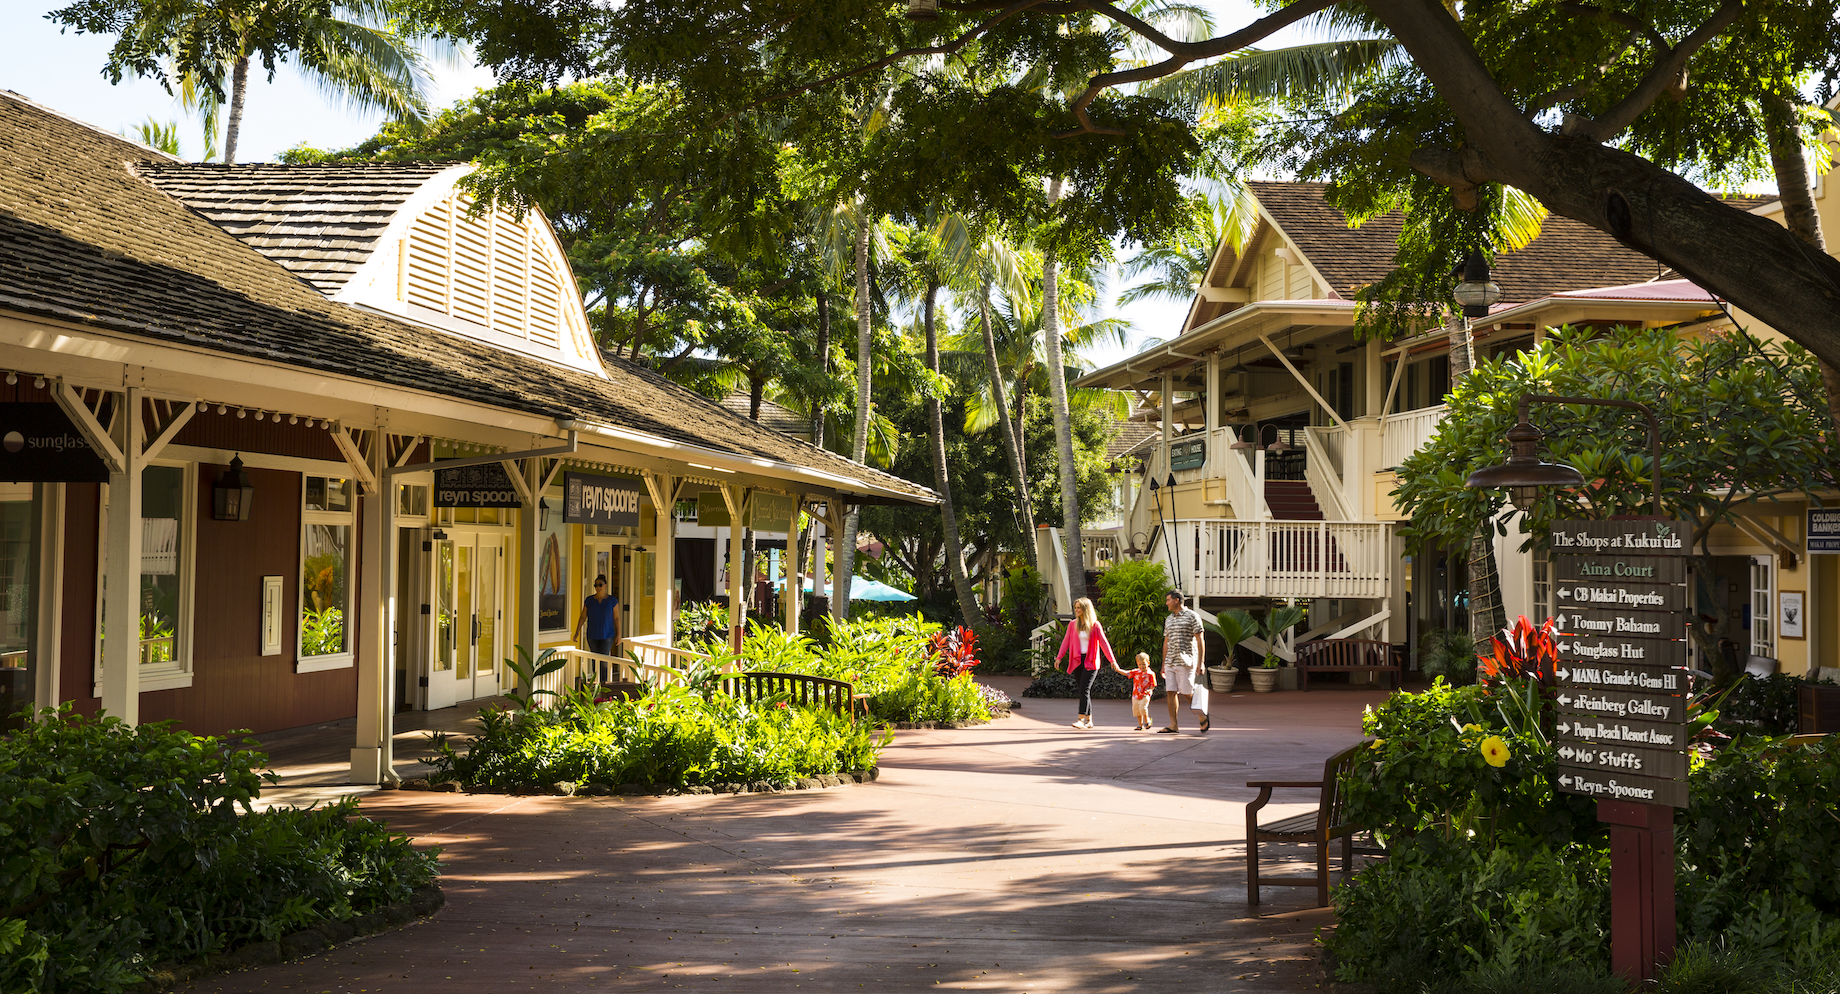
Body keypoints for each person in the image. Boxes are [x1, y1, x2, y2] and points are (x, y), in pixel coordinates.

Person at [1054, 597, 1116, 729]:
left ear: (1085, 609)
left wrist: (1112, 660)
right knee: (1083, 691)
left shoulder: (1095, 625)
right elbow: (1065, 642)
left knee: (1084, 690)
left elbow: (1104, 643)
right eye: (1075, 607)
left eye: (1079, 608)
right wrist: (1059, 657)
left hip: (1091, 661)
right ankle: (1089, 720)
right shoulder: (1072, 624)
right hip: (1077, 660)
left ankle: (1080, 719)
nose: (1076, 610)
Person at [1159, 589, 1209, 733]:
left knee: (1186, 692)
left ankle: (1201, 715)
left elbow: (1200, 640)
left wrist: (1201, 662)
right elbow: (1166, 642)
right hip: (1170, 661)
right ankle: (1173, 725)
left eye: (1168, 600)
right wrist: (1163, 664)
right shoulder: (1168, 619)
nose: (1166, 603)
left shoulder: (1192, 616)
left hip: (1186, 660)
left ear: (1176, 600)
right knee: (1170, 692)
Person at [572, 574, 621, 683]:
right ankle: (597, 683)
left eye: (600, 585)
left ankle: (604, 684)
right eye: (596, 585)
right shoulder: (589, 600)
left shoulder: (612, 601)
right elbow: (583, 616)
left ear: (605, 585)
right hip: (593, 635)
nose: (598, 587)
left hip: (607, 635)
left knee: (603, 660)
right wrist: (577, 632)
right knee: (594, 659)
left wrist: (619, 635)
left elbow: (616, 617)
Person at [1111, 651, 1158, 731]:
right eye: (1140, 664)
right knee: (1137, 710)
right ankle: (1140, 725)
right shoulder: (1136, 672)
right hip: (1136, 694)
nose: (1142, 666)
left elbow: (1153, 685)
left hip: (1145, 694)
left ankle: (1147, 721)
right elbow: (1127, 673)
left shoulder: (1150, 674)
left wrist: (1149, 690)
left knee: (1143, 708)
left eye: (1143, 664)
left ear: (1148, 663)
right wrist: (1118, 670)